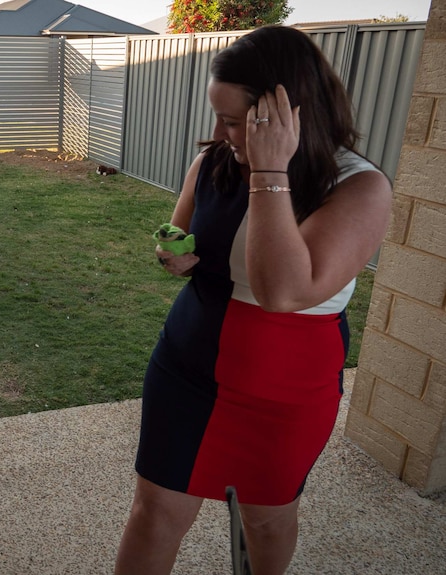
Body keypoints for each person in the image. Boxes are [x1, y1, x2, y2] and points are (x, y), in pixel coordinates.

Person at [115, 26, 393, 575]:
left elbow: (284, 293)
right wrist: (172, 254)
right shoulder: (214, 162)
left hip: (285, 388)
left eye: (235, 121)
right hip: (189, 364)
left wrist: (270, 172)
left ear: (289, 112)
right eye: (219, 116)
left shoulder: (358, 187)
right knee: (156, 510)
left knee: (265, 519)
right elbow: (179, 232)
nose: (221, 133)